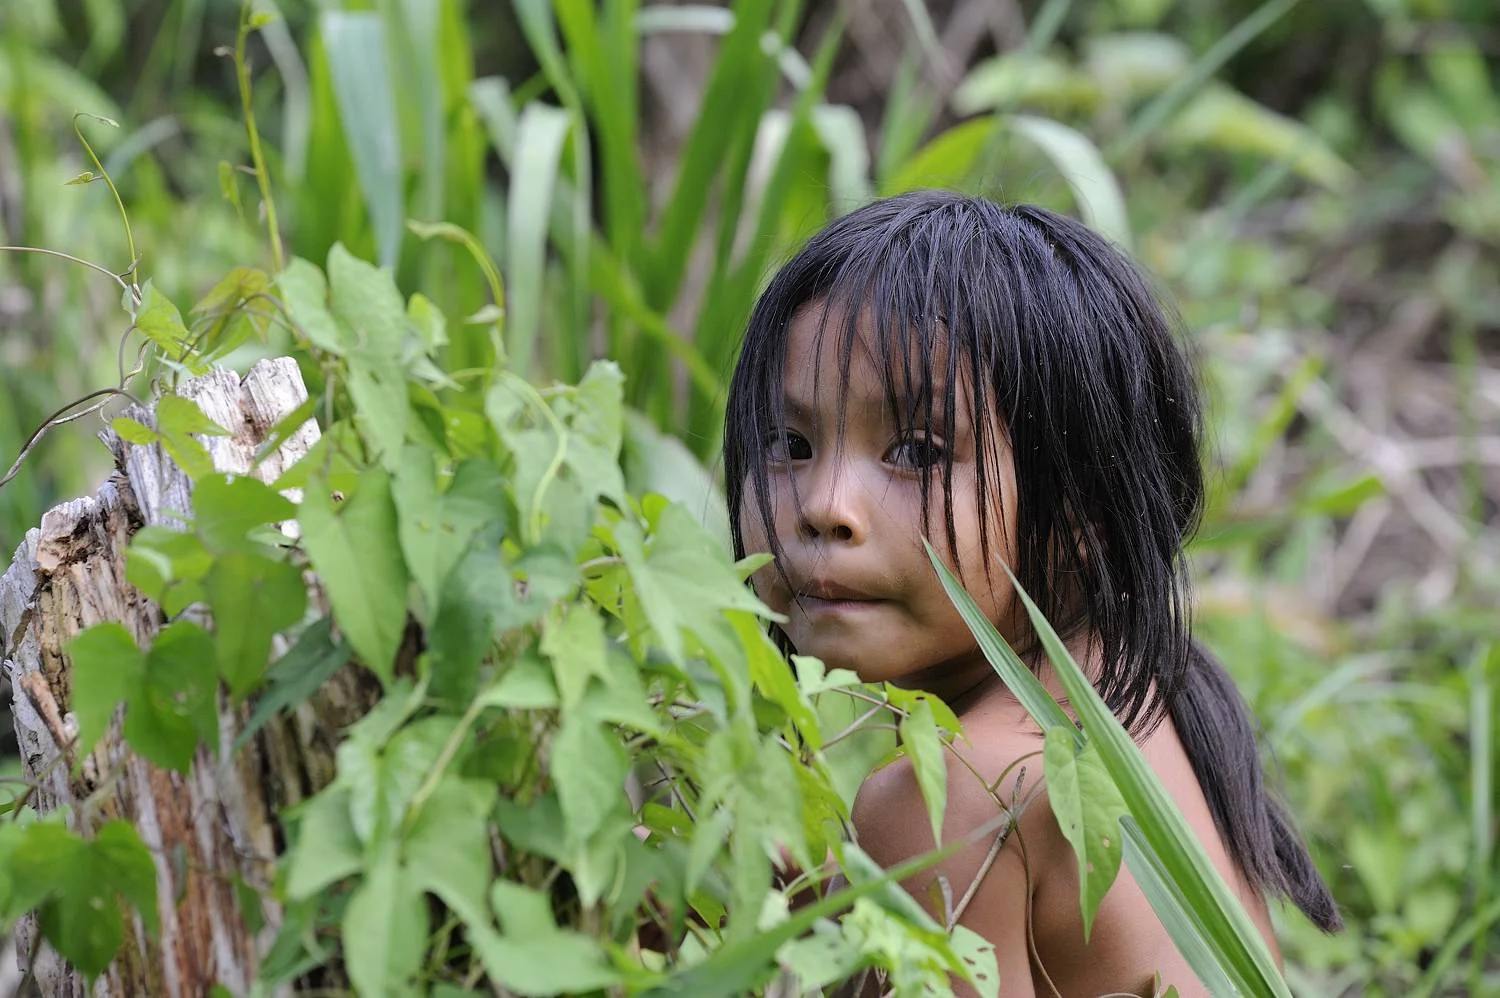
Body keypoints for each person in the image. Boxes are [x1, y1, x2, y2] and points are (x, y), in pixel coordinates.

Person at [722, 191, 1341, 996]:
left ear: (1082, 511)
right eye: (789, 443)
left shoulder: (949, 799)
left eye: (916, 449)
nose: (824, 506)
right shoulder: (1142, 700)